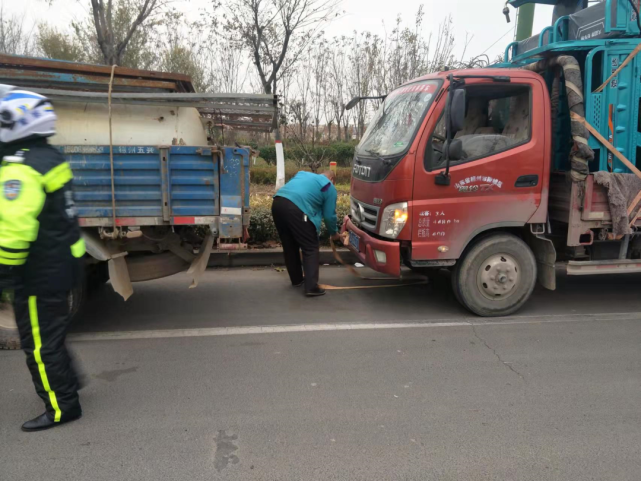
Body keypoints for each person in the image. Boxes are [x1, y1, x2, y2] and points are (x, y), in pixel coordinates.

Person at [0, 86, 85, 432]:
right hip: (65, 264)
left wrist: (5, 273)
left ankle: (62, 407)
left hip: (38, 273)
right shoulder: (51, 158)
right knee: (51, 335)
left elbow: (14, 230)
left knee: (38, 345)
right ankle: (69, 383)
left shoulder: (20, 168)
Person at [272, 170, 341, 297]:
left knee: (289, 245)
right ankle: (311, 287)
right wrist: (334, 233)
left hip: (277, 203)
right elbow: (329, 216)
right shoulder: (329, 187)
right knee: (310, 247)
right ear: (332, 179)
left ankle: (297, 280)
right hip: (296, 208)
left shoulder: (303, 174)